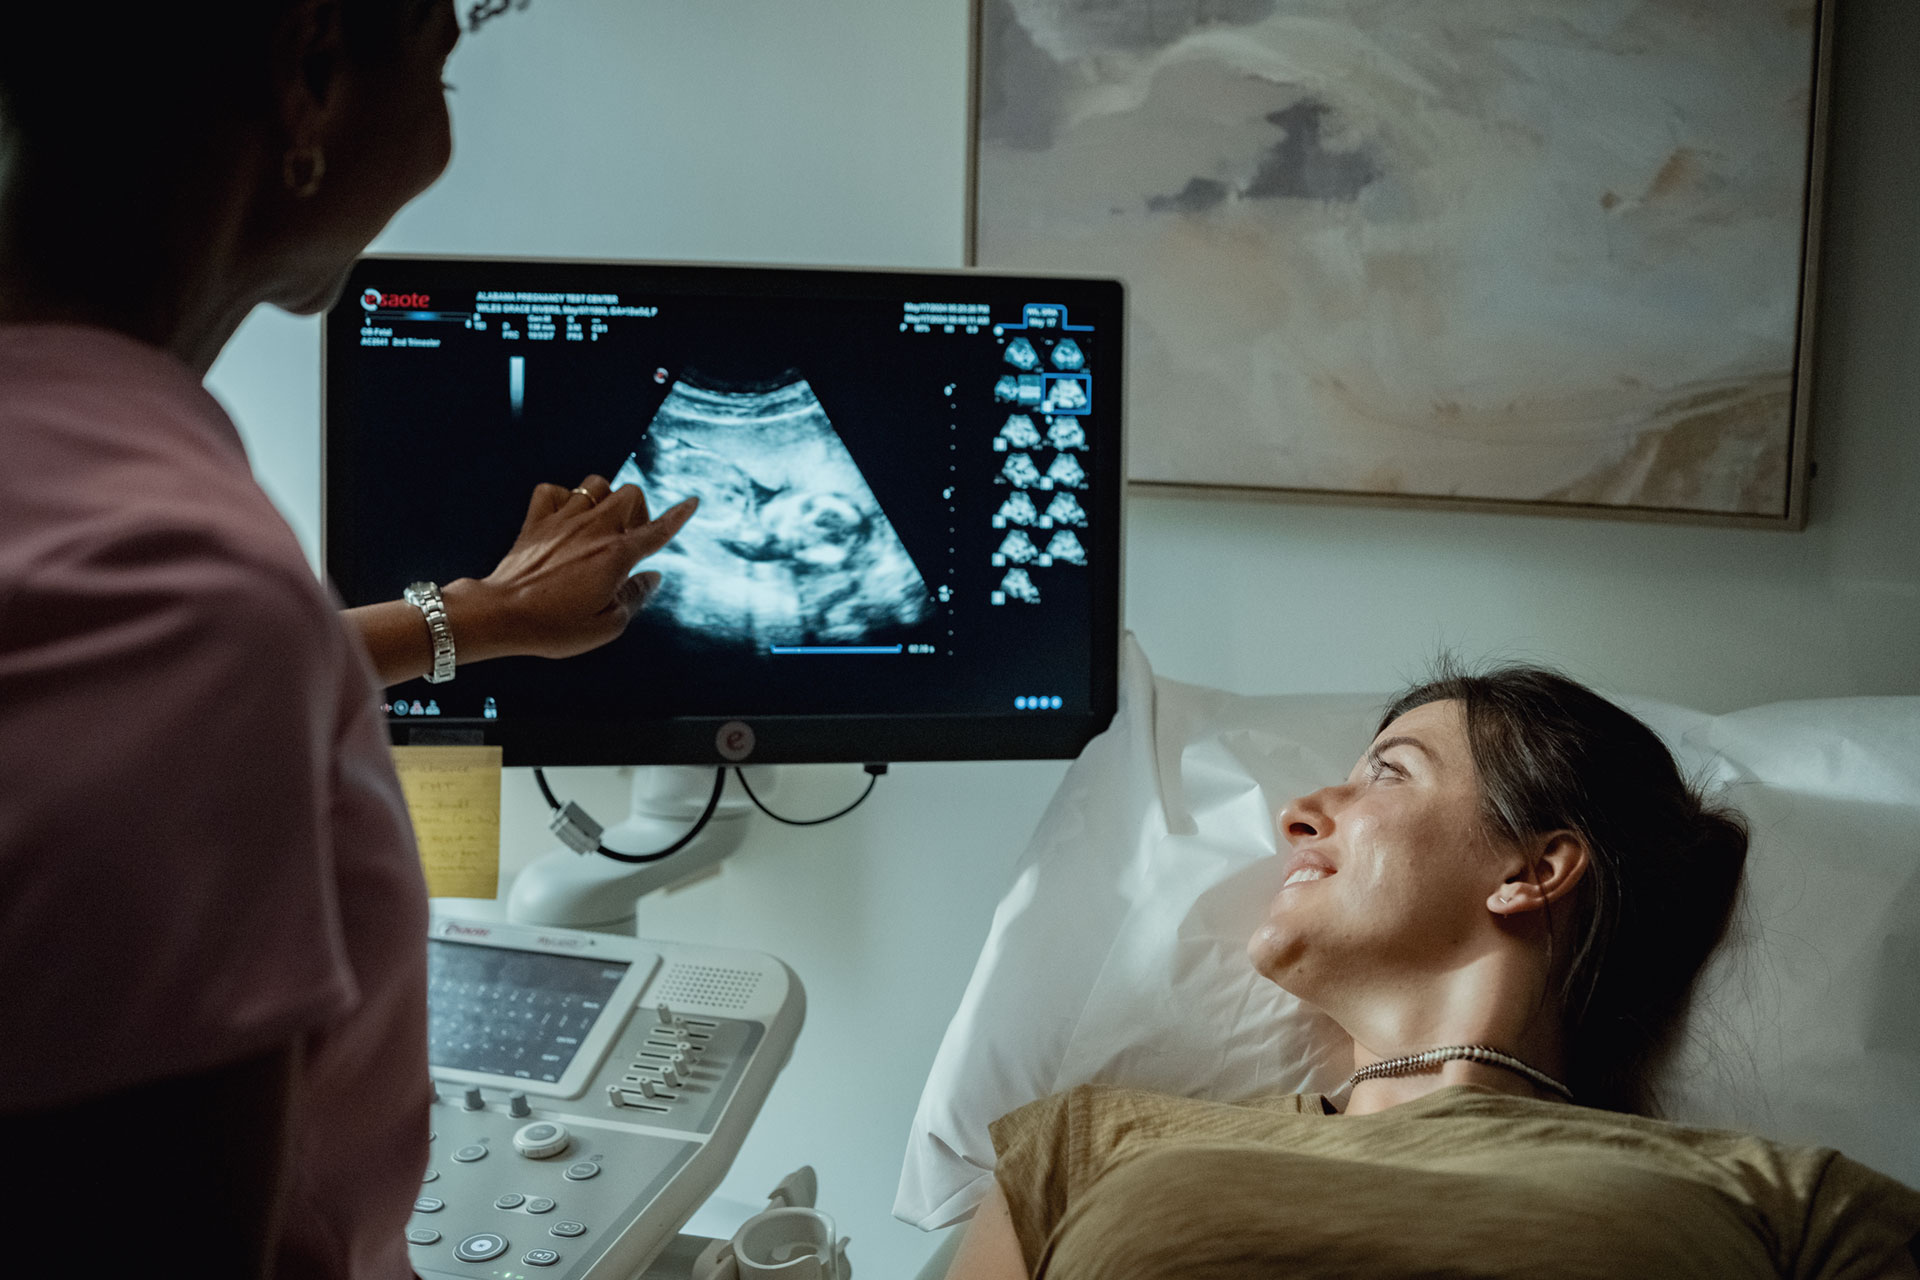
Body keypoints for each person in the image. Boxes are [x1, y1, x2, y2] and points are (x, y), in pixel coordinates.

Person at [0, 3, 692, 1276]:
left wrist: (479, 614)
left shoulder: (97, 540)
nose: (437, 137)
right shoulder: (176, 597)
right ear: (310, 77)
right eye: (443, 68)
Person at [946, 666, 1920, 1279]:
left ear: (1532, 869)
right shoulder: (1088, 1144)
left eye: (1387, 770)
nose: (1298, 809)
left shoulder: (1790, 1201)